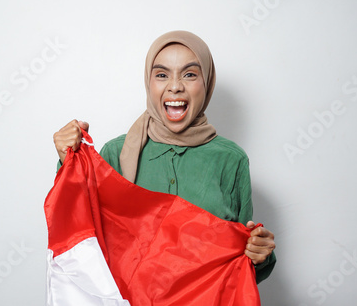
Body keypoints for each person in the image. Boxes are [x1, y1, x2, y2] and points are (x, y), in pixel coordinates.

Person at [53, 30, 276, 283]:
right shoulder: (116, 153)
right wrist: (67, 160)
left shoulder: (231, 160)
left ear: (207, 82)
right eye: (161, 75)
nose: (175, 86)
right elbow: (79, 234)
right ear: (149, 83)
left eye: (190, 74)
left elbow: (240, 270)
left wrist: (259, 255)